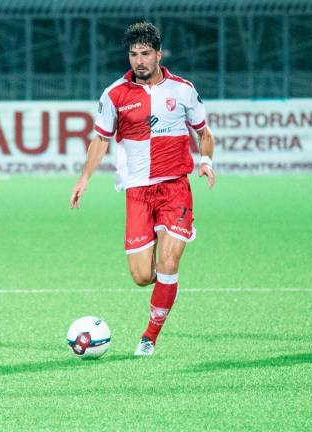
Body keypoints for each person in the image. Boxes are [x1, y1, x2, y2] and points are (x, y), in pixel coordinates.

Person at [69, 22, 215, 357]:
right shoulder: (115, 94)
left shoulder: (182, 90)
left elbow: (204, 133)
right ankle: (167, 286)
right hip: (137, 192)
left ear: (158, 54)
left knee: (168, 261)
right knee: (141, 276)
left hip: (175, 188)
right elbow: (101, 140)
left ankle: (149, 336)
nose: (139, 60)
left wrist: (206, 160)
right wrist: (84, 178)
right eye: (134, 54)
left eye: (146, 53)